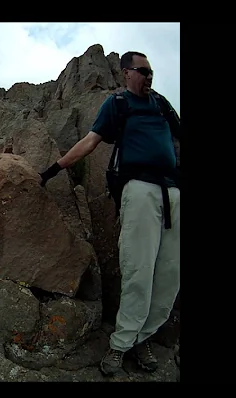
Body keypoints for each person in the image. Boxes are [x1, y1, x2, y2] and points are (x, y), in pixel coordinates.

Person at [38, 51, 181, 376]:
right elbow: (89, 143)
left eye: (151, 71)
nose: (149, 76)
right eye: (143, 71)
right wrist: (51, 171)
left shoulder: (161, 104)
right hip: (140, 191)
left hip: (172, 193)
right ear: (126, 73)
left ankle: (141, 338)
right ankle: (120, 346)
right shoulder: (117, 104)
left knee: (170, 276)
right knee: (138, 271)